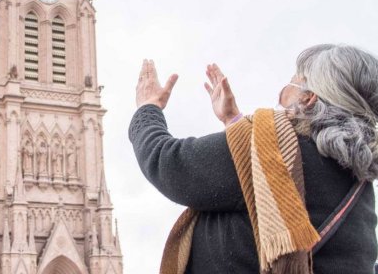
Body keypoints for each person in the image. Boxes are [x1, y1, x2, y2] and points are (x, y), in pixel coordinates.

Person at [129, 44, 378, 274]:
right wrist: (235, 124)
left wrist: (147, 110)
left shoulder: (271, 147)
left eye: (293, 82)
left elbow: (169, 165)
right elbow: (262, 189)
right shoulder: (359, 182)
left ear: (309, 98)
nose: (282, 94)